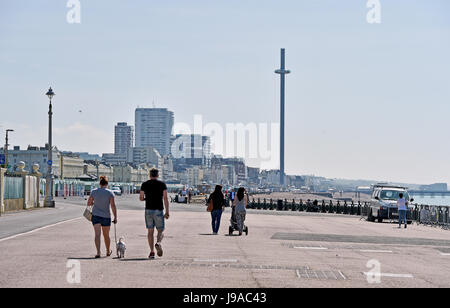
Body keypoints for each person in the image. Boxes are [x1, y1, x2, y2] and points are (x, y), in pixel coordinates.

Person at [140, 168, 170, 259]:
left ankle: (152, 251)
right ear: (157, 175)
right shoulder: (162, 184)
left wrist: (146, 198)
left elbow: (141, 198)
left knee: (150, 231)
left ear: (150, 175)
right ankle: (158, 243)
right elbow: (165, 198)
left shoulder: (144, 184)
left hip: (148, 210)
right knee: (160, 230)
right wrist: (167, 212)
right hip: (158, 210)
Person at [87, 176, 117, 259]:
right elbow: (113, 206)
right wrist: (115, 217)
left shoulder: (94, 192)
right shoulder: (110, 193)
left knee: (97, 235)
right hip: (106, 217)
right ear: (107, 184)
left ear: (100, 184)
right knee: (106, 235)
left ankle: (98, 252)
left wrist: (94, 203)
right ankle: (108, 251)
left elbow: (89, 203)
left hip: (96, 216)